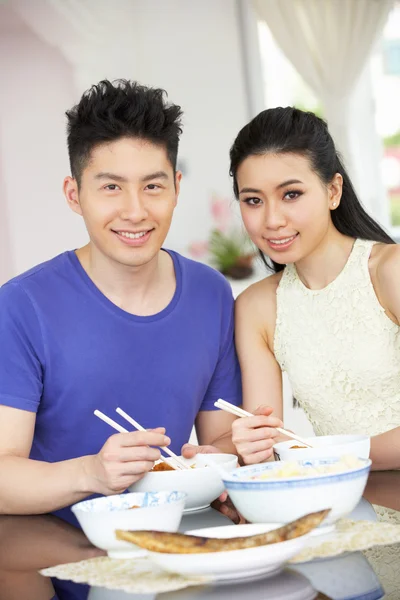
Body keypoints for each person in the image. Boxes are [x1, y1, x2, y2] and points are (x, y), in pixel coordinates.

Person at [0, 79, 242, 522]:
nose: (135, 211)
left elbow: (220, 440)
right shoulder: (20, 307)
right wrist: (91, 473)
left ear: (176, 186)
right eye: (111, 187)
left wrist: (226, 460)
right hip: (54, 563)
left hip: (180, 550)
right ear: (74, 195)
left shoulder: (211, 294)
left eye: (152, 186)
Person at [229, 106, 400, 472]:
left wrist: (327, 455)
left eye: (291, 194)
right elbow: (270, 441)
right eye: (253, 200)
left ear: (333, 190)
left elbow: (305, 452)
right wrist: (250, 447)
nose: (272, 220)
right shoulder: (256, 307)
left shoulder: (390, 271)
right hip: (345, 513)